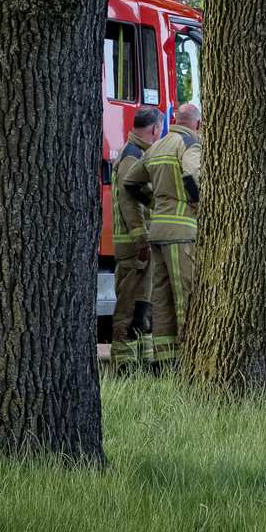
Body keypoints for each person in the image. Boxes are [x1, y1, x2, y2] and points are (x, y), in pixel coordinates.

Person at [123, 103, 202, 366]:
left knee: (161, 300)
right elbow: (193, 174)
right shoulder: (190, 142)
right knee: (185, 297)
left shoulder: (157, 145)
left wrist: (155, 203)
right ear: (198, 124)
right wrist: (200, 204)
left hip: (157, 232)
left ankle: (165, 363)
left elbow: (131, 182)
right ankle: (190, 360)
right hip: (182, 232)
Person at [110, 106, 163, 370]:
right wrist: (142, 238)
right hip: (133, 247)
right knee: (129, 306)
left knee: (143, 305)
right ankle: (123, 365)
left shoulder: (137, 153)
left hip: (138, 245)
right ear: (155, 129)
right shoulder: (132, 156)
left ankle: (143, 363)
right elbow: (129, 203)